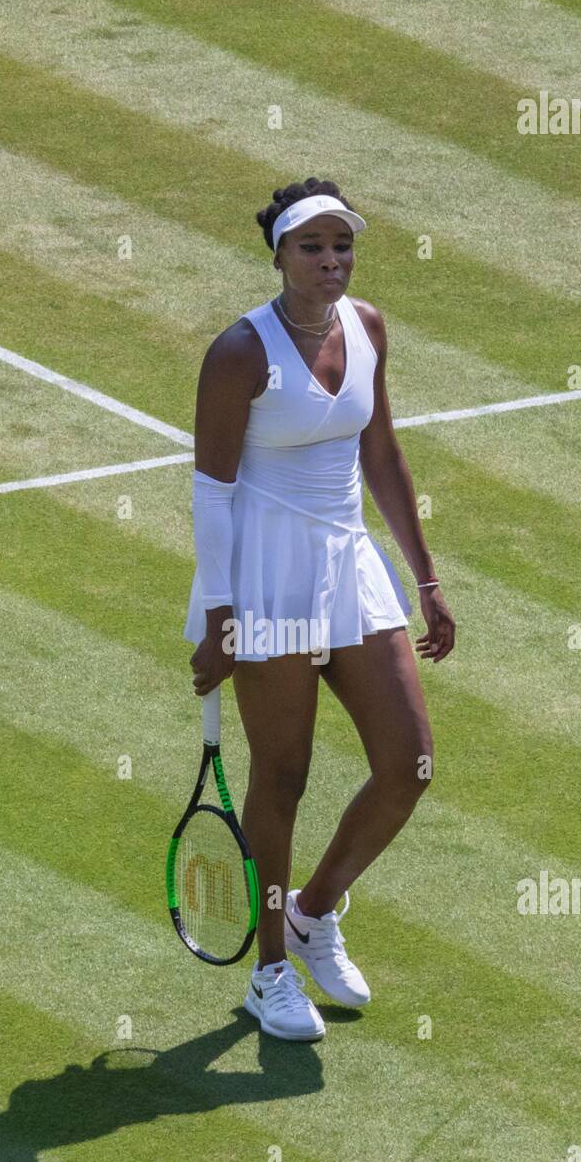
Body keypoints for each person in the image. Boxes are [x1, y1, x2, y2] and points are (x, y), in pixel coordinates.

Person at [183, 177, 455, 1041]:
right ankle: (269, 971)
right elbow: (211, 491)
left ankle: (314, 909)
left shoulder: (368, 326)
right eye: (313, 247)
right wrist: (221, 612)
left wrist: (426, 579)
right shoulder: (239, 353)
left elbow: (380, 450)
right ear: (279, 256)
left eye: (342, 246)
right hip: (267, 580)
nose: (332, 261)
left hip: (350, 567)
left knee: (409, 763)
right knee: (284, 777)